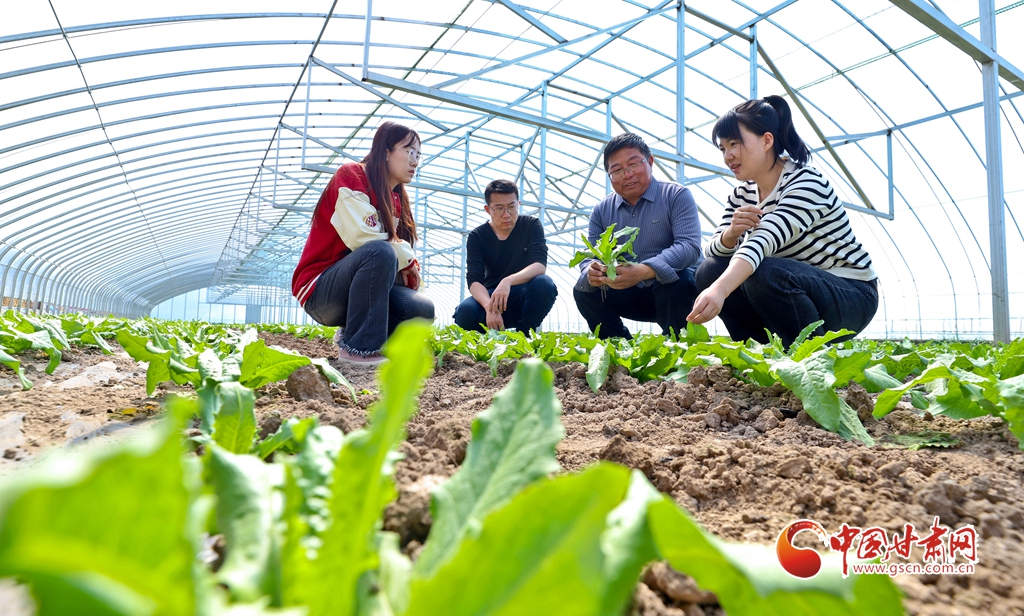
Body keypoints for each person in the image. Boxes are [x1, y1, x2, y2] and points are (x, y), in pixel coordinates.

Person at [688, 95, 878, 347]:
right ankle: (756, 351)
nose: (727, 156)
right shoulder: (742, 194)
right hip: (793, 288)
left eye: (734, 144)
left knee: (763, 272)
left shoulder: (806, 182)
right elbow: (712, 250)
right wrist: (731, 234)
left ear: (767, 140)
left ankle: (807, 353)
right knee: (709, 270)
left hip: (849, 294)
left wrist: (721, 290)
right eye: (722, 148)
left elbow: (764, 239)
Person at [291, 121, 434, 365]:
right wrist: (408, 260)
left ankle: (364, 337)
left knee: (421, 309)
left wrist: (408, 267)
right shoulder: (352, 175)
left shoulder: (396, 199)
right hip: (321, 291)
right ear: (386, 151)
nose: (415, 161)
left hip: (358, 290)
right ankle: (359, 349)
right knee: (380, 251)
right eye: (410, 151)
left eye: (419, 154)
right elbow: (363, 237)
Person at [573, 133, 703, 339]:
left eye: (633, 165)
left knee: (680, 279)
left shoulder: (676, 195)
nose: (627, 174)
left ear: (650, 162)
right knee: (584, 289)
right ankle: (618, 346)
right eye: (616, 170)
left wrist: (645, 270)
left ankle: (677, 345)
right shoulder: (601, 210)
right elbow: (591, 255)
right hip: (627, 291)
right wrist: (592, 270)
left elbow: (689, 247)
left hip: (675, 295)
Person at [453, 179, 557, 332]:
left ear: (518, 204)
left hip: (522, 295)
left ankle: (524, 336)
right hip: (491, 297)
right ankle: (486, 342)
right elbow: (474, 281)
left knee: (544, 284)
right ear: (488, 210)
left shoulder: (531, 225)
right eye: (499, 208)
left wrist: (507, 281)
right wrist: (490, 308)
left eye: (511, 207)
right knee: (465, 311)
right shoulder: (478, 236)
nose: (507, 214)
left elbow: (539, 265)